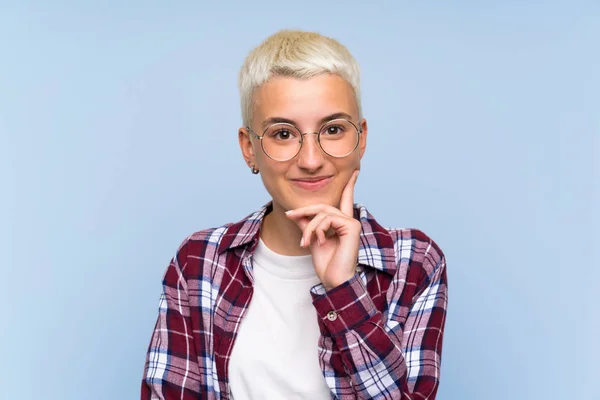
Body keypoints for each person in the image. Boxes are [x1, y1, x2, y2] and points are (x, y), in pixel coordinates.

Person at [141, 29, 448, 400]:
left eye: (333, 129)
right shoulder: (200, 261)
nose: (311, 160)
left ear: (361, 138)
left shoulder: (412, 263)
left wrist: (343, 289)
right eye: (283, 134)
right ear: (249, 148)